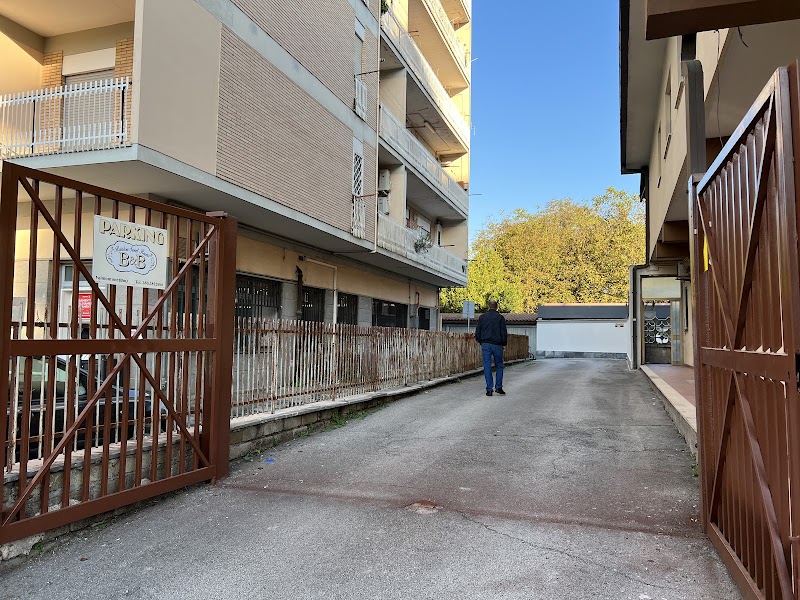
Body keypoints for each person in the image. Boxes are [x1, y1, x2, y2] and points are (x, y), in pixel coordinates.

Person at [474, 300, 508, 396]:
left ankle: (489, 389)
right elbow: (503, 332)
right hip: (497, 344)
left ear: (488, 307)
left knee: (487, 366)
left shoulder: (482, 317)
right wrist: (504, 344)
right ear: (497, 307)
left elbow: (478, 331)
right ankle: (498, 387)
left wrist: (481, 341)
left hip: (486, 344)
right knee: (499, 365)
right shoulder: (500, 318)